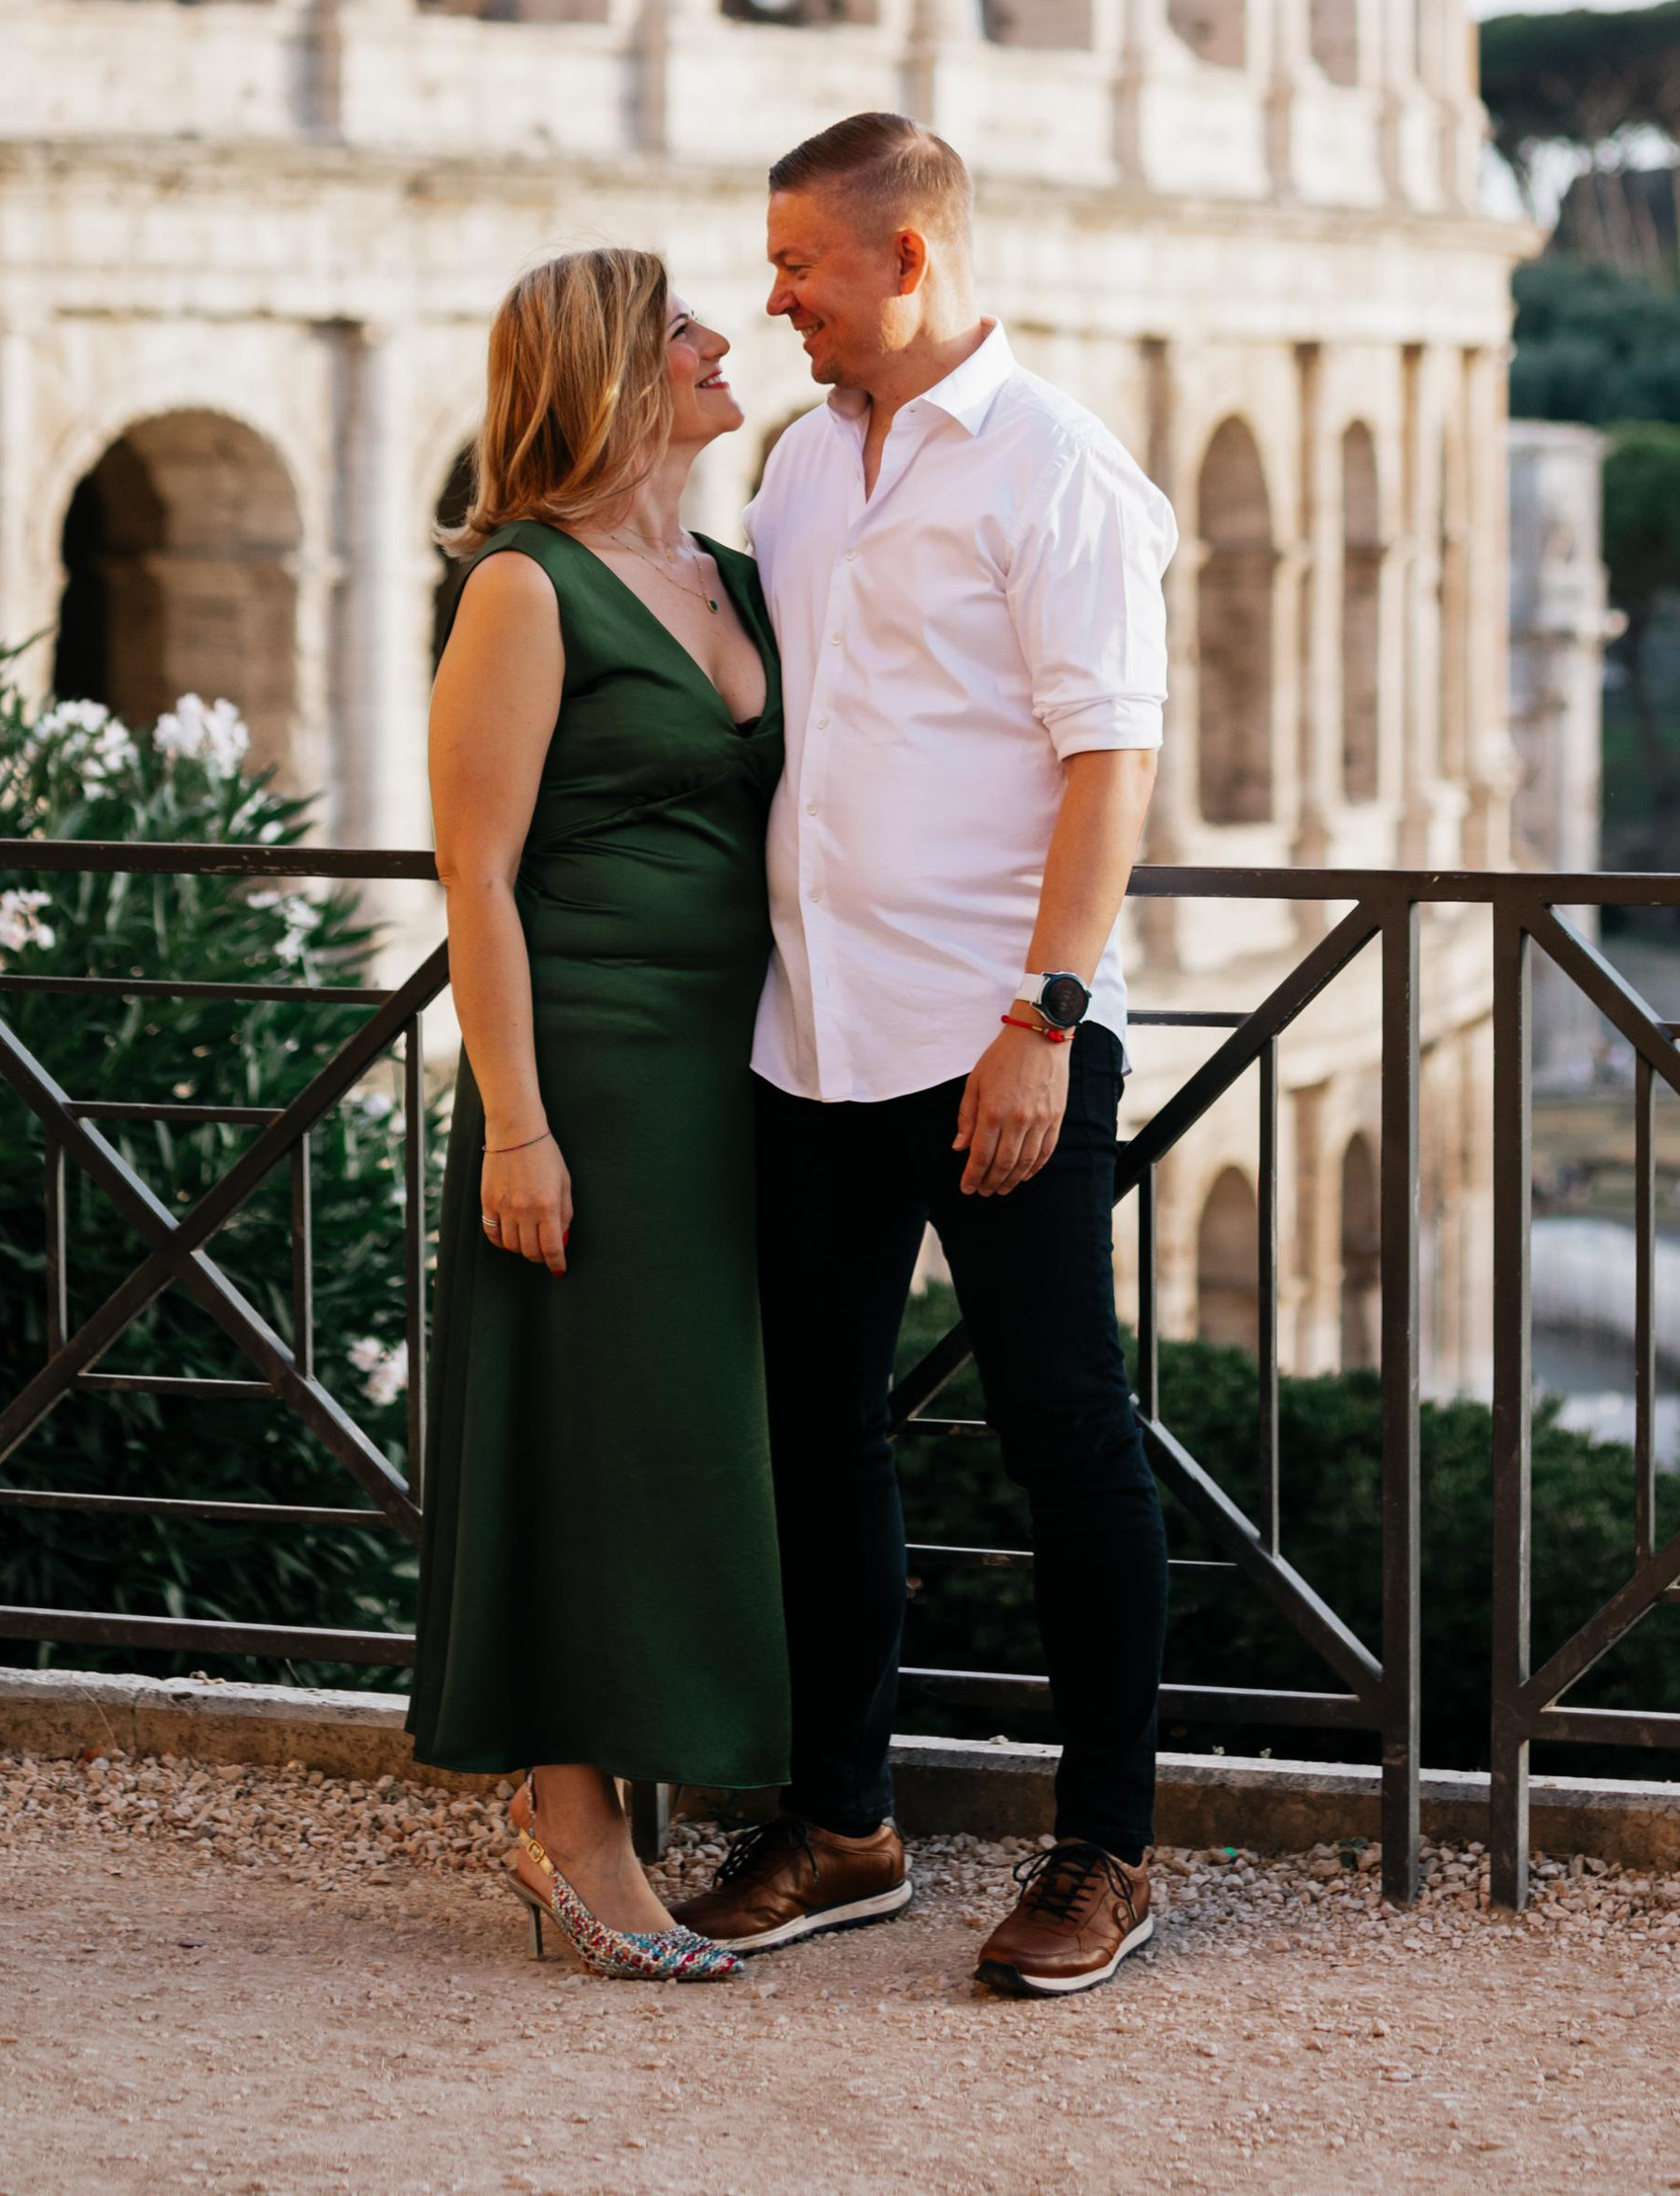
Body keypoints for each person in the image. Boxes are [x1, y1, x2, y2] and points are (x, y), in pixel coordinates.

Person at [678, 114, 1177, 1998]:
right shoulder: (804, 464)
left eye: (800, 263)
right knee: (817, 1434)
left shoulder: (1059, 468)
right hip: (811, 1034)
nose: (776, 300)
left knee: (1067, 1437)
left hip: (998, 1041)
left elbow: (1108, 758)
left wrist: (1045, 1018)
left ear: (907, 256)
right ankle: (844, 1824)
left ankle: (1108, 1851)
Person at [408, 247, 787, 1982]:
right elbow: (476, 876)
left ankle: (651, 1785)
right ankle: (575, 1829)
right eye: (684, 327)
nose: (721, 342)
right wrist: (516, 1126)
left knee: (687, 1439)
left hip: (744, 1066)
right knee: (579, 1437)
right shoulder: (524, 585)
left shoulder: (739, 576)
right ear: (614, 373)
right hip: (592, 1069)